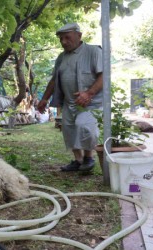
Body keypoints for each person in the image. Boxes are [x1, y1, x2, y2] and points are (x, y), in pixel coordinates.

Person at [37, 23, 103, 172]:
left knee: (84, 126)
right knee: (69, 130)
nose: (63, 42)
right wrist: (44, 99)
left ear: (79, 36)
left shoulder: (94, 51)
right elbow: (54, 80)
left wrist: (89, 93)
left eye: (67, 37)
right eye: (61, 39)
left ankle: (88, 157)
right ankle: (78, 160)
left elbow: (104, 76)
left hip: (91, 103)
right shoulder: (61, 58)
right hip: (69, 102)